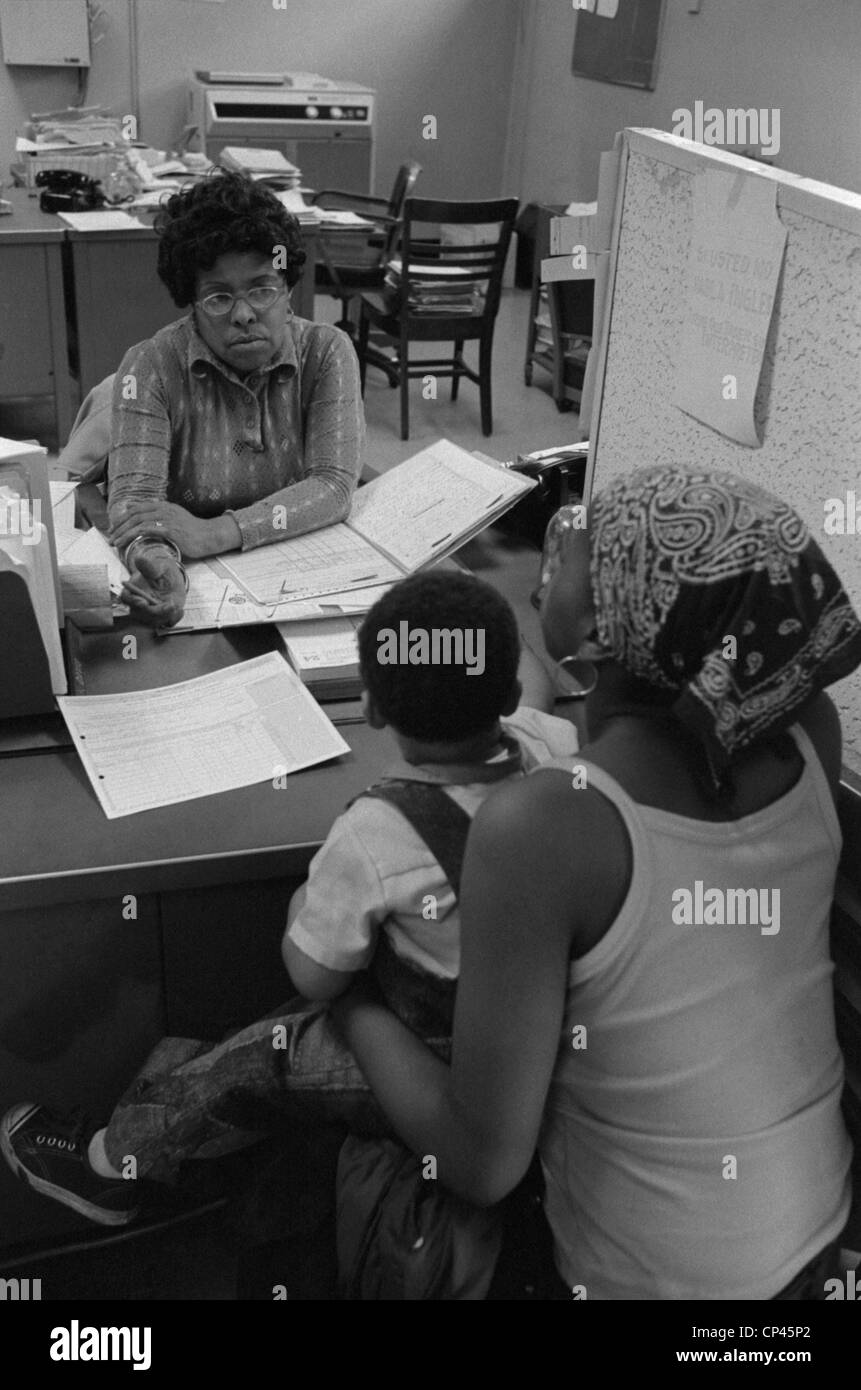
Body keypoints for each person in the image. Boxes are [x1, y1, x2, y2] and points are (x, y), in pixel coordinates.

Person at [328, 464, 861, 1300]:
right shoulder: (806, 738)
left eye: (591, 546)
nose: (559, 547)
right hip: (814, 1245)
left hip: (650, 1280)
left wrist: (352, 1005)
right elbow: (631, 735)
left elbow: (480, 1163)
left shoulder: (542, 827)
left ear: (618, 626)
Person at [0, 572, 579, 1225]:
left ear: (373, 708)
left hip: (438, 1061)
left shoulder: (376, 834)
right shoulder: (549, 751)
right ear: (504, 695)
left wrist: (306, 900)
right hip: (539, 1028)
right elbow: (539, 692)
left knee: (261, 1057)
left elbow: (314, 974)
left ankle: (110, 1163)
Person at [64, 171, 365, 628]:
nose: (244, 315)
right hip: (205, 582)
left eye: (263, 288)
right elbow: (136, 505)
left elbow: (334, 487)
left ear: (288, 289)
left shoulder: (326, 352)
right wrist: (166, 572)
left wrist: (214, 532)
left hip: (295, 575)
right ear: (191, 300)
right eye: (218, 297)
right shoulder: (150, 366)